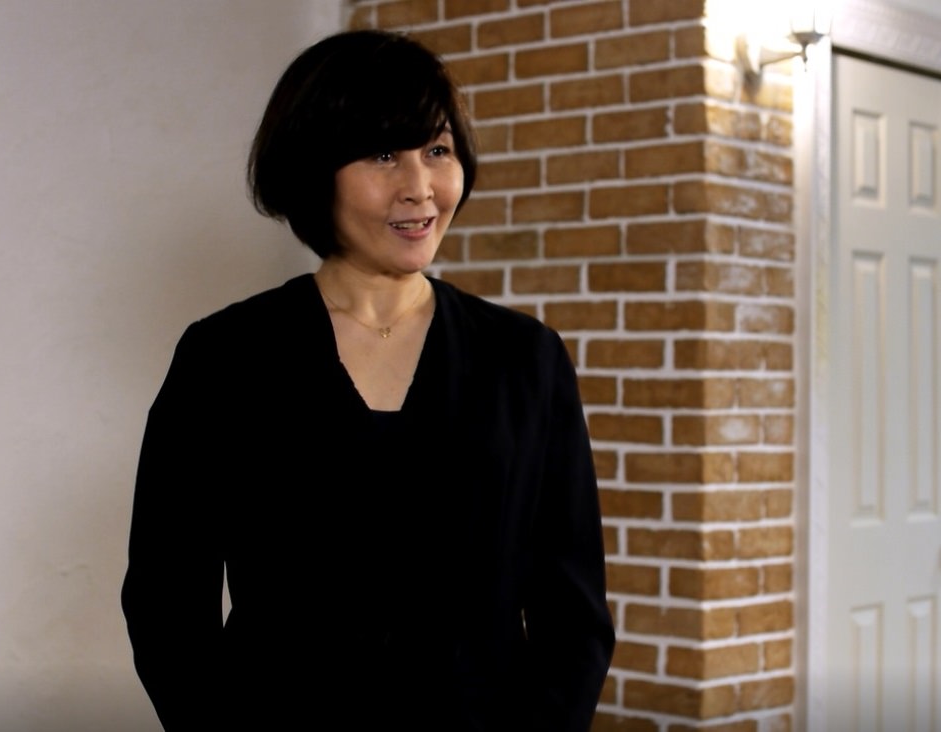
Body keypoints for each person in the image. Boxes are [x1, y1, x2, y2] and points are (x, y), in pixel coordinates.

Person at [121, 28, 614, 731]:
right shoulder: (224, 356)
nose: (420, 188)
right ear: (314, 168)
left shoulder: (526, 359)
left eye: (437, 151)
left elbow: (574, 617)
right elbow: (166, 603)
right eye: (384, 154)